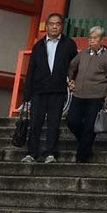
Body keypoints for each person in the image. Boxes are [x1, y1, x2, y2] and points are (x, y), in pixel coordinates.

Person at [21, 12, 76, 164]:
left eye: (57, 24)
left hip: (57, 90)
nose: (54, 27)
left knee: (54, 123)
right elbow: (31, 69)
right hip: (39, 90)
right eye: (51, 24)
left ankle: (50, 153)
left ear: (62, 26)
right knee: (35, 123)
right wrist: (27, 93)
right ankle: (32, 153)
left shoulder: (69, 44)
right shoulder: (38, 46)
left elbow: (74, 66)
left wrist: (73, 81)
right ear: (47, 26)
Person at [66, 25, 107, 164]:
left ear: (101, 40)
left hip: (96, 95)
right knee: (72, 121)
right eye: (90, 38)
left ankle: (81, 156)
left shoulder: (106, 56)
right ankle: (86, 146)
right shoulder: (83, 53)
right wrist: (71, 80)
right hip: (79, 94)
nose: (91, 41)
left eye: (95, 38)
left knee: (89, 126)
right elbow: (72, 66)